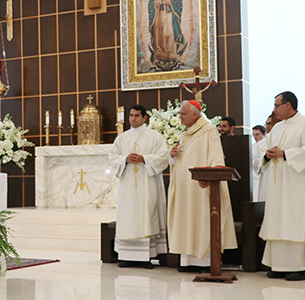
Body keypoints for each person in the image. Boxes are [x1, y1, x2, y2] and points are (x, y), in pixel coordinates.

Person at [258, 91, 305, 281]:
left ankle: (299, 267)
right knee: (278, 220)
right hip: (277, 186)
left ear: (288, 105)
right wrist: (268, 155)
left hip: (297, 184)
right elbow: (265, 149)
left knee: (294, 220)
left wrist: (285, 154)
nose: (274, 110)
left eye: (277, 105)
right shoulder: (277, 129)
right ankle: (279, 265)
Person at [167, 100, 237, 272]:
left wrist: (210, 177)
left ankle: (205, 262)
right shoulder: (186, 133)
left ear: (195, 115)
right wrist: (173, 154)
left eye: (183, 114)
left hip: (201, 187)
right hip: (185, 188)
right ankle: (187, 261)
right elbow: (180, 160)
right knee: (186, 220)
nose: (180, 117)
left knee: (201, 219)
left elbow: (216, 158)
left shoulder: (209, 131)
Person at [108, 105, 169, 269]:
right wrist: (125, 159)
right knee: (128, 217)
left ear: (145, 118)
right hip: (128, 188)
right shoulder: (122, 138)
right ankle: (127, 256)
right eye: (131, 115)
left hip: (147, 186)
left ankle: (146, 257)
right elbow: (113, 157)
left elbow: (164, 157)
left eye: (136, 116)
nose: (132, 119)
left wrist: (145, 159)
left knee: (146, 216)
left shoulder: (154, 136)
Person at [148, 0, 186, 71]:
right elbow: (151, 4)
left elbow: (178, 2)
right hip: (159, 15)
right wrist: (156, 2)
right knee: (159, 33)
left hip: (169, 14)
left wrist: (167, 1)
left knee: (169, 32)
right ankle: (160, 52)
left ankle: (171, 52)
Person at [251, 125, 266, 201]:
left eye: (257, 134)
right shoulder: (252, 147)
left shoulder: (267, 144)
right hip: (253, 177)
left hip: (263, 175)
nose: (255, 137)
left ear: (264, 134)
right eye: (253, 135)